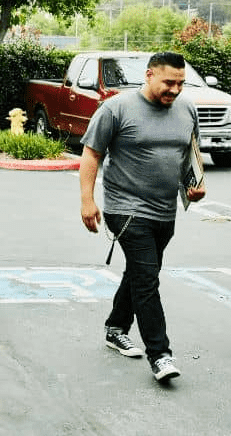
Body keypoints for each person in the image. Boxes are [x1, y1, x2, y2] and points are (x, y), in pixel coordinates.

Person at [79, 51, 206, 383]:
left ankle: (115, 327)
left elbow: (189, 152)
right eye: (169, 82)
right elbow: (91, 153)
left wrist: (194, 186)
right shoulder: (116, 108)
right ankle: (160, 355)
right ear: (150, 75)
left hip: (165, 210)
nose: (175, 90)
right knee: (148, 278)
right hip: (126, 209)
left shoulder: (186, 108)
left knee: (140, 273)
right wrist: (87, 201)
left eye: (180, 83)